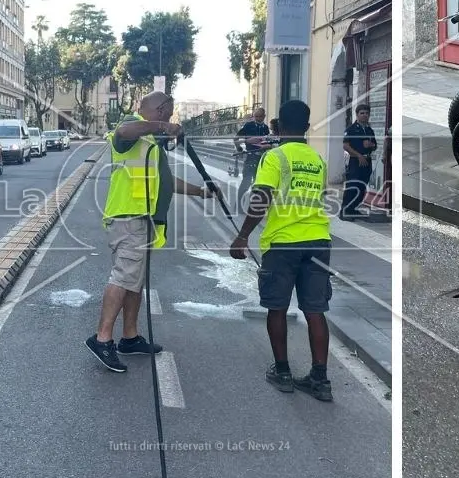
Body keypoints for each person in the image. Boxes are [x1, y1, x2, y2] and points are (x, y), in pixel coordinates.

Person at [86, 91, 219, 373]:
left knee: (135, 280)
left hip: (143, 219)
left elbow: (167, 181)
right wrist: (162, 128)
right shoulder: (131, 127)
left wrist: (202, 192)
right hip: (128, 215)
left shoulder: (151, 145)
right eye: (166, 114)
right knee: (123, 276)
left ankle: (130, 337)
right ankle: (102, 339)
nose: (168, 120)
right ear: (156, 110)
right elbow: (122, 131)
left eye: (170, 116)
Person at [230, 100, 334, 402]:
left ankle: (283, 371)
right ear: (307, 126)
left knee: (277, 307)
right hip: (318, 241)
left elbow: (261, 198)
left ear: (278, 126)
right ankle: (320, 379)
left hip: (282, 243)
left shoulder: (275, 157)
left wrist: (242, 236)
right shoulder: (317, 160)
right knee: (316, 310)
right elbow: (322, 198)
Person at [341, 104, 377, 219]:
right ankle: (345, 211)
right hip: (355, 161)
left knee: (362, 186)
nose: (365, 115)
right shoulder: (351, 129)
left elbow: (374, 146)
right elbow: (346, 146)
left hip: (367, 161)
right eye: (362, 113)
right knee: (353, 186)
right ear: (357, 115)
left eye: (367, 113)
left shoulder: (369, 130)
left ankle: (353, 209)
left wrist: (371, 145)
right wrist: (358, 155)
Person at [233, 107, 274, 207]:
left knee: (257, 183)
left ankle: (252, 206)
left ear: (264, 116)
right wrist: (239, 149)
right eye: (256, 116)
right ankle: (238, 205)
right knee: (246, 182)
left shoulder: (265, 128)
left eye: (260, 116)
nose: (258, 118)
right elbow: (236, 138)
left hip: (261, 158)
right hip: (250, 157)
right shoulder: (248, 126)